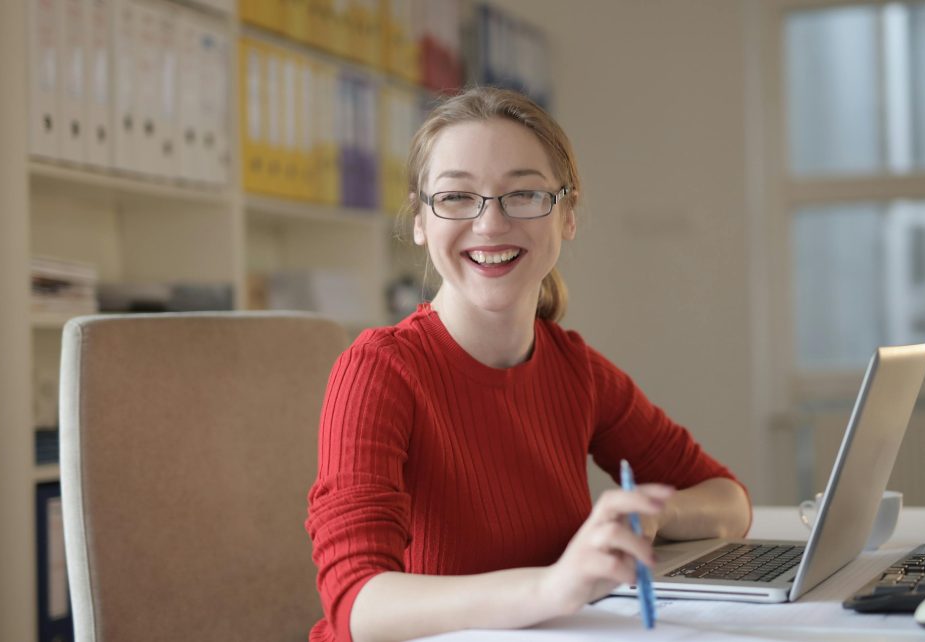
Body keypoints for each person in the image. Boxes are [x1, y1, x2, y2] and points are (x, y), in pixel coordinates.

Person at [306, 87, 752, 642]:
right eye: (457, 197)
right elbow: (357, 605)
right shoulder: (378, 371)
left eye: (523, 194)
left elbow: (728, 501)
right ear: (421, 220)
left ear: (567, 215)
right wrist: (552, 587)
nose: (490, 224)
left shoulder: (575, 369)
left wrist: (653, 517)